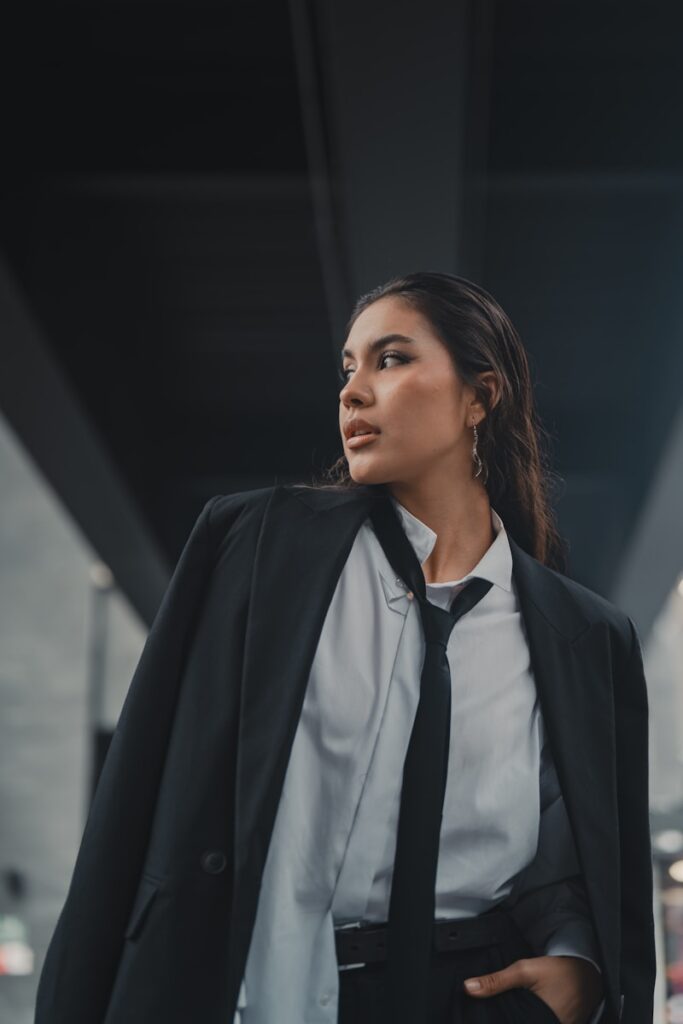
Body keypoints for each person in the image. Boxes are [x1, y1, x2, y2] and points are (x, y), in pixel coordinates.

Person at [35, 272, 655, 1024]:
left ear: (479, 397)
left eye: (390, 359)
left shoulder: (584, 636)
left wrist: (578, 970)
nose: (352, 393)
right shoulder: (253, 549)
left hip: (468, 1002)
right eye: (348, 368)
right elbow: (132, 801)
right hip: (256, 993)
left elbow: (579, 862)